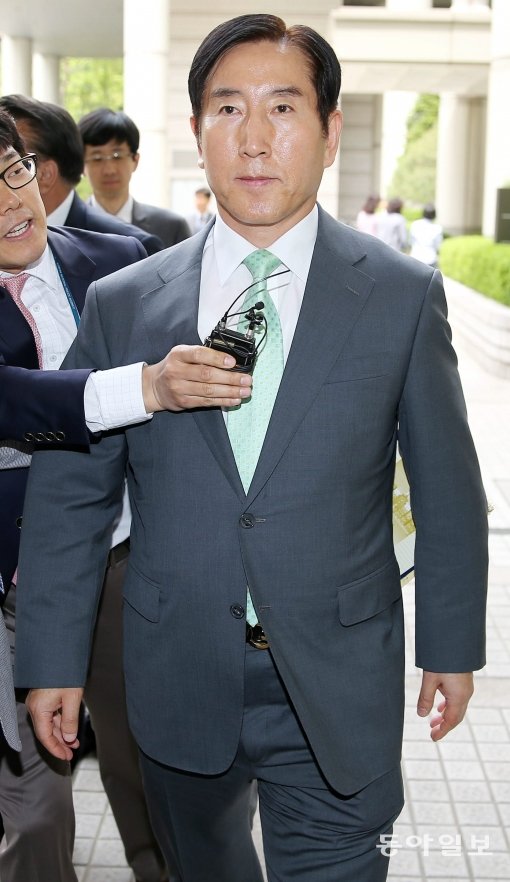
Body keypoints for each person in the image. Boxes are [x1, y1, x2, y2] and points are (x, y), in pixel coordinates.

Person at [15, 14, 487, 882]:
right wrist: (50, 660)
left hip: (338, 676)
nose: (256, 139)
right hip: (178, 671)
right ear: (197, 131)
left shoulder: (399, 294)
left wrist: (450, 645)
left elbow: (449, 490)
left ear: (330, 132)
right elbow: (72, 498)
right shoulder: (126, 301)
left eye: (284, 108)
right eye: (229, 110)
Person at [0, 109, 177, 882]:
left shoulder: (124, 259)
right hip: (12, 588)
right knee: (35, 811)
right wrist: (144, 387)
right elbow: (17, 399)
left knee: (150, 777)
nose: (10, 202)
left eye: (12, 173)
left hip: (122, 566)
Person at [0, 94, 165, 255]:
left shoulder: (130, 251)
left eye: (15, 169)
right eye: (97, 158)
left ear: (45, 174)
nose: (109, 170)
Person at [78, 108, 191, 248]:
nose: (109, 170)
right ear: (81, 165)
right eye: (97, 158)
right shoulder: (65, 228)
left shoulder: (171, 228)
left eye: (117, 156)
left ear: (135, 160)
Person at [409, 203, 443, 267]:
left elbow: (411, 241)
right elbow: (438, 246)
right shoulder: (437, 228)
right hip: (430, 258)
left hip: (416, 256)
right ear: (434, 215)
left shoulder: (415, 224)